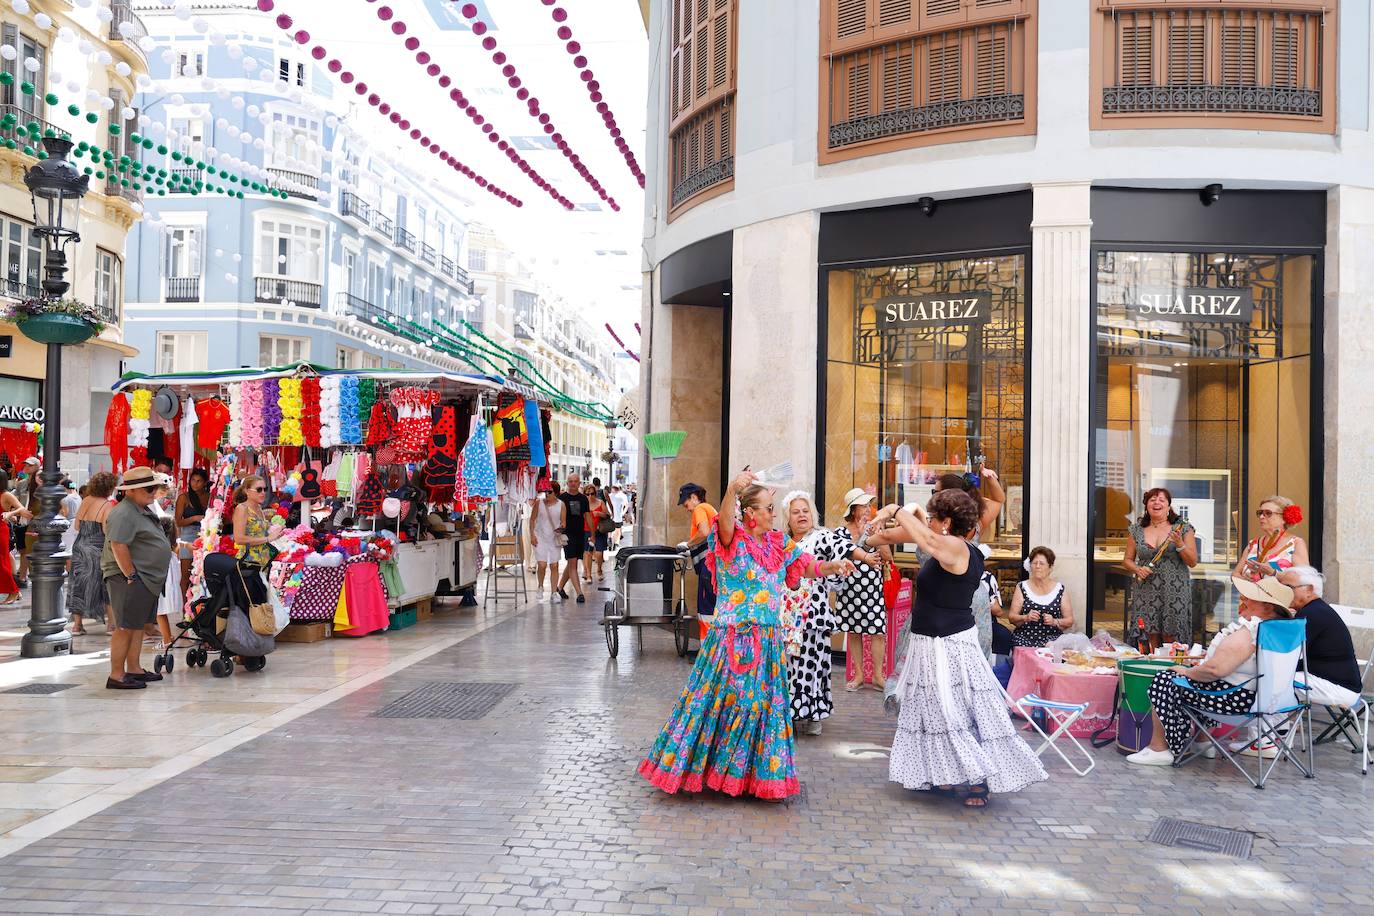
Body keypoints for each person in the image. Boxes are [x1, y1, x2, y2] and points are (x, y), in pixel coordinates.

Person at [638, 471, 855, 799]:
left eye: (772, 508)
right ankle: (710, 769)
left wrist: (832, 567)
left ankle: (748, 775)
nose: (773, 514)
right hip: (731, 639)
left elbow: (807, 565)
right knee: (721, 703)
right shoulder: (732, 539)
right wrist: (730, 490)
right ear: (750, 513)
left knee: (761, 708)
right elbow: (724, 520)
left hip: (767, 640)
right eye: (768, 508)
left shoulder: (778, 542)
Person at [871, 492, 1046, 808]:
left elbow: (925, 538)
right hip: (928, 642)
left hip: (948, 645)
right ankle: (943, 772)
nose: (931, 521)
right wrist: (879, 529)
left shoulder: (957, 546)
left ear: (947, 522)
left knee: (957, 709)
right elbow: (901, 534)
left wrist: (896, 508)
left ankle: (979, 779)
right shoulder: (945, 541)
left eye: (934, 516)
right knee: (933, 710)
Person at [1128, 576, 1296, 766]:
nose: (1244, 600)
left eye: (1251, 597)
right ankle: (1202, 741)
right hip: (1271, 702)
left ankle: (1159, 748)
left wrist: (1187, 672)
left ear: (1267, 607)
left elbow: (1216, 670)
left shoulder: (1252, 631)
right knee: (1200, 678)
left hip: (1238, 703)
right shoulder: (1282, 632)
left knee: (1166, 679)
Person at [781, 490, 862, 735]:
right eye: (796, 512)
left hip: (813, 614)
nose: (801, 516)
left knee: (812, 665)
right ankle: (792, 714)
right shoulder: (781, 542)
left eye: (805, 511)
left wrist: (862, 556)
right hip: (785, 617)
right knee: (788, 667)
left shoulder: (822, 537)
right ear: (788, 517)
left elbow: (842, 548)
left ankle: (814, 715)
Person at [100, 467, 173, 690]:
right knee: (125, 626)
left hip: (144, 577)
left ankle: (133, 668)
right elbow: (118, 545)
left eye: (155, 488)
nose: (153, 492)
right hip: (129, 577)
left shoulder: (139, 508)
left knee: (137, 625)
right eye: (149, 488)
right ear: (131, 490)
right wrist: (131, 574)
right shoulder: (123, 512)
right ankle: (117, 675)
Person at [1123, 487, 1198, 649]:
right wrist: (1137, 569)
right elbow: (1127, 560)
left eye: (1162, 500)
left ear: (1169, 506)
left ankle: (1170, 669)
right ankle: (1149, 667)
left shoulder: (1182, 528)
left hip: (1174, 589)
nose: (1157, 503)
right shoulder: (1136, 530)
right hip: (1146, 588)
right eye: (1152, 500)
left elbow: (1192, 561)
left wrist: (1179, 544)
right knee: (1148, 632)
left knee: (1172, 633)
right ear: (1147, 505)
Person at [1278, 566, 1363, 706]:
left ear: (1309, 590)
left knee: (1270, 681)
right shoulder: (1315, 609)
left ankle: (1277, 728)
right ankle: (1282, 725)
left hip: (1338, 688)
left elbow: (1286, 654)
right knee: (1273, 678)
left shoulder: (1311, 614)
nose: (1282, 592)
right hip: (1330, 682)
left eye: (1288, 587)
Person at [833, 487, 891, 691]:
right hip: (849, 588)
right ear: (853, 508)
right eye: (864, 505)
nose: (868, 509)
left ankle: (877, 675)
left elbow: (888, 557)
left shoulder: (874, 527)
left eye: (869, 505)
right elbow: (839, 558)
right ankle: (858, 674)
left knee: (878, 631)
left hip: (872, 589)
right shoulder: (840, 533)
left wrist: (877, 534)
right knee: (854, 632)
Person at [67, 472, 117, 635]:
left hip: (80, 545)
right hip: (97, 548)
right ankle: (111, 625)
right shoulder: (107, 505)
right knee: (105, 585)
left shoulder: (86, 500)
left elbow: (76, 526)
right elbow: (105, 529)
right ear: (109, 488)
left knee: (79, 584)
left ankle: (77, 625)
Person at [1008, 546, 1074, 648]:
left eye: (1042, 563)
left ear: (1050, 567)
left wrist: (1055, 621)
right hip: (1024, 637)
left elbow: (1069, 620)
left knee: (1052, 648)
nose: (1037, 566)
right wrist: (1026, 617)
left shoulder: (1060, 589)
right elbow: (1012, 617)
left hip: (1052, 638)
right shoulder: (1022, 587)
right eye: (1035, 563)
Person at [1235, 495, 1309, 581]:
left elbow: (1304, 579)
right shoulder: (1253, 544)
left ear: (1284, 518)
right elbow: (1235, 573)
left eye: (1268, 513)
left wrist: (1273, 573)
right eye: (1260, 513)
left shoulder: (1295, 544)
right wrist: (1244, 579)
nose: (1262, 517)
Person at [678, 482, 718, 619]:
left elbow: (704, 532)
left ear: (694, 497)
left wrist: (687, 545)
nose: (687, 509)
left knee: (706, 608)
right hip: (714, 565)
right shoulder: (710, 509)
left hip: (708, 566)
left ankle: (708, 640)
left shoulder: (700, 508)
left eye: (686, 504)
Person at [934, 463, 1005, 539]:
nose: (933, 496)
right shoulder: (977, 523)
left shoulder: (936, 523)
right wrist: (990, 478)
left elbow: (998, 500)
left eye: (935, 492)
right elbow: (998, 500)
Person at [174, 468, 210, 603]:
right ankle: (185, 607)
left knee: (202, 572)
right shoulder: (184, 497)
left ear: (205, 482)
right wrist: (194, 518)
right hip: (188, 534)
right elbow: (178, 521)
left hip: (205, 534)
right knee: (186, 573)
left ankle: (199, 604)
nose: (195, 484)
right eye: (193, 480)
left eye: (199, 481)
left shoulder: (209, 496)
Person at [555, 473, 589, 603]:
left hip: (579, 534)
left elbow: (587, 516)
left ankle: (559, 588)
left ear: (579, 483)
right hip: (567, 535)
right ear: (567, 483)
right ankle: (579, 593)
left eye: (575, 481)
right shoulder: (562, 498)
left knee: (571, 563)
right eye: (570, 481)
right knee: (573, 562)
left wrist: (592, 533)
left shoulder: (583, 498)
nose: (573, 483)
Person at [529, 481, 566, 595]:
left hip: (554, 538)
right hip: (540, 537)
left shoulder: (561, 505)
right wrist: (532, 535)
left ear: (556, 493)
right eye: (545, 491)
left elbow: (563, 522)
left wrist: (561, 527)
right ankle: (540, 586)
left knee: (554, 565)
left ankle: (554, 592)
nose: (547, 494)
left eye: (549, 492)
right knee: (542, 565)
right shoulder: (539, 503)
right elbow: (532, 519)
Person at [232, 475, 276, 570]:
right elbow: (239, 538)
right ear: (247, 491)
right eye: (259, 490)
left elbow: (259, 531)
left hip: (264, 560)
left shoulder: (259, 508)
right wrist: (267, 539)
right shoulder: (242, 509)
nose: (263, 493)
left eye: (265, 489)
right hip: (249, 561)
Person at [14, 456, 39, 586]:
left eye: (30, 465)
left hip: (36, 522)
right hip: (22, 520)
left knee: (31, 550)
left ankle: (25, 576)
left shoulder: (41, 483)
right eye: (25, 465)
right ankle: (23, 576)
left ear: (37, 467)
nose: (26, 467)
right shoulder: (21, 484)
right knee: (23, 550)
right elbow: (16, 500)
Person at [0, 484, 26, 605]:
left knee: (2, 563)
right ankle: (15, 590)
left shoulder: (6, 495)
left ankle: (14, 590)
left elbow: (21, 508)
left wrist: (10, 514)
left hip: (1, 531)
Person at [583, 484, 611, 580]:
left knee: (599, 553)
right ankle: (588, 574)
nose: (590, 496)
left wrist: (599, 513)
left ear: (595, 493)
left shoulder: (600, 502)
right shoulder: (583, 504)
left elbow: (608, 515)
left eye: (592, 493)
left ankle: (599, 570)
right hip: (587, 531)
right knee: (588, 553)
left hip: (599, 530)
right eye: (587, 494)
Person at [608, 484, 629, 550]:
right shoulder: (623, 496)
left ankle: (610, 539)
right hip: (618, 516)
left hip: (610, 516)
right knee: (617, 530)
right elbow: (626, 505)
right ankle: (616, 544)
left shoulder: (609, 496)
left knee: (610, 530)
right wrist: (623, 513)